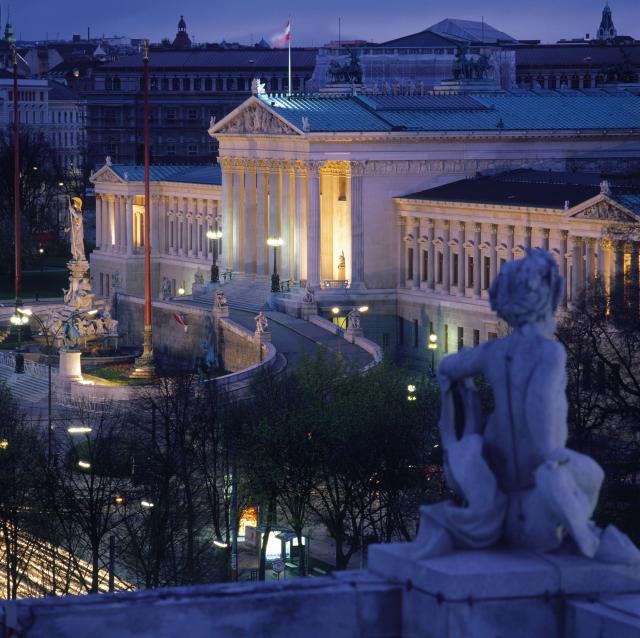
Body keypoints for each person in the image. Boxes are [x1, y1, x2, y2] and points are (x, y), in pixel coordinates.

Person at [414, 249, 640, 564]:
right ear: (548, 302)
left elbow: (448, 368)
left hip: (502, 507)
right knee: (591, 473)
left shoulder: (494, 350)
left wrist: (466, 406)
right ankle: (585, 536)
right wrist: (554, 461)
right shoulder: (549, 354)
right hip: (536, 511)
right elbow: (542, 418)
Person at [65, 196, 86, 262]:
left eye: (75, 203)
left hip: (78, 232)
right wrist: (68, 228)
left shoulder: (79, 213)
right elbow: (73, 223)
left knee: (78, 243)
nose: (74, 204)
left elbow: (77, 218)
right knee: (73, 243)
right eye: (73, 203)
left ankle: (81, 256)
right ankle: (75, 256)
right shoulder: (75, 213)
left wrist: (72, 210)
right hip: (74, 231)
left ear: (78, 204)